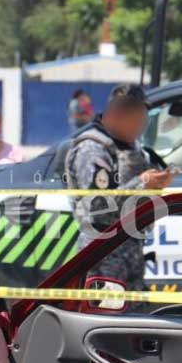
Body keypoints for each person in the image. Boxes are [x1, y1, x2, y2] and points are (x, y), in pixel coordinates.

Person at [65, 84, 172, 292]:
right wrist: (141, 184)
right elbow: (98, 207)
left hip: (131, 251)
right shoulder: (93, 149)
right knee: (105, 317)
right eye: (134, 118)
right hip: (103, 256)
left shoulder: (134, 148)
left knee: (134, 321)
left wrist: (157, 185)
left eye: (142, 117)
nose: (140, 124)